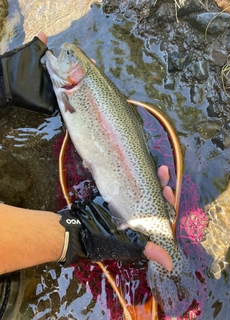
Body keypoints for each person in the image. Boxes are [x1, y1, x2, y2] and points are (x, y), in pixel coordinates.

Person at [0, 32, 175, 276]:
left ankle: (163, 248)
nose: (66, 51)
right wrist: (77, 234)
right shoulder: (74, 88)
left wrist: (3, 81)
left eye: (70, 56)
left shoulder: (75, 87)